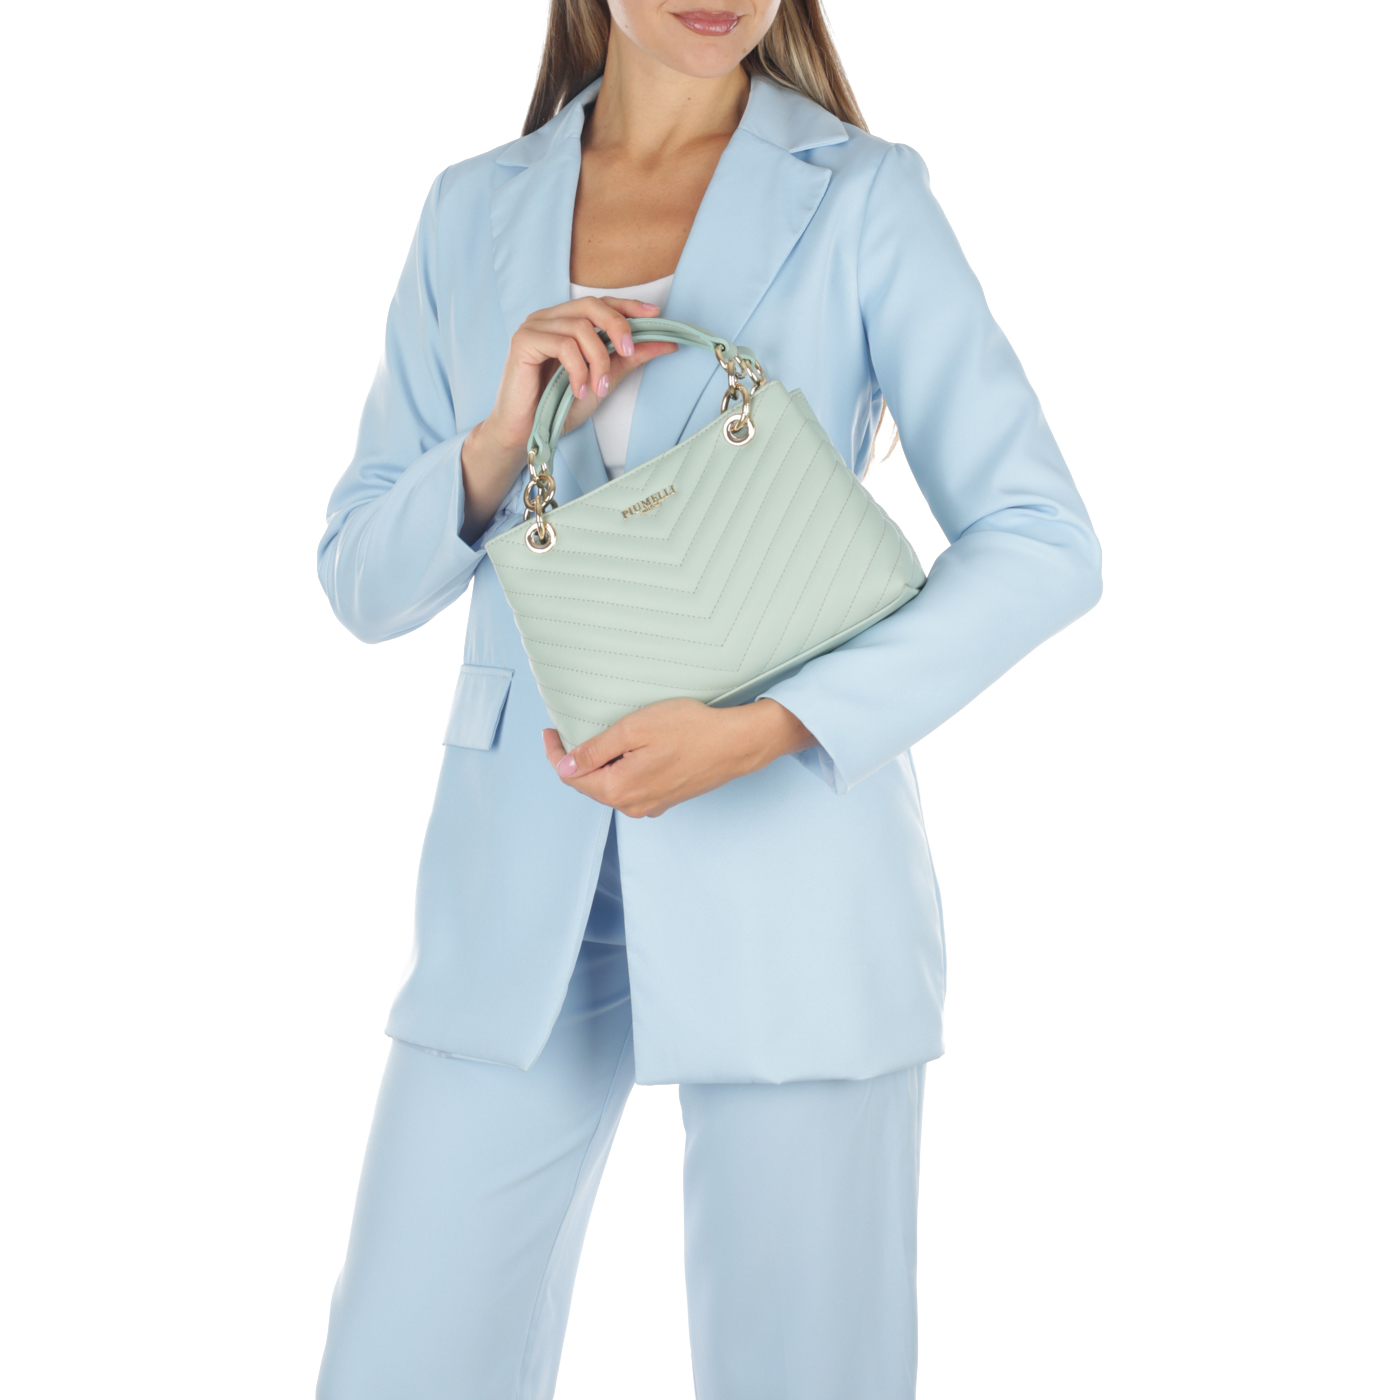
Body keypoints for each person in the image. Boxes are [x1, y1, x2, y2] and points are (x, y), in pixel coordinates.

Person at [314, 2, 1102, 1396]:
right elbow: (362, 582)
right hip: (513, 891)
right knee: (402, 1357)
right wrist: (497, 440)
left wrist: (768, 729)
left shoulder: (864, 196)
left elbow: (1043, 540)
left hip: (794, 869)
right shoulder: (470, 209)